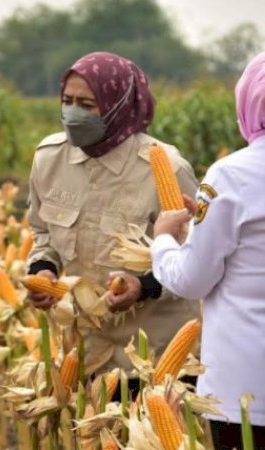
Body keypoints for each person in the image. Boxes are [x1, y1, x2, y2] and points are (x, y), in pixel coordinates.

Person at [25, 52, 200, 395]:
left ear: (119, 106)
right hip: (87, 355)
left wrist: (143, 287)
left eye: (87, 105)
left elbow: (196, 258)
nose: (73, 114)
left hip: (156, 360)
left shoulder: (166, 168)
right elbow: (43, 231)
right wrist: (44, 268)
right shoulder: (48, 158)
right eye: (67, 101)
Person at [151, 51, 265, 450]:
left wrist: (166, 237)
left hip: (247, 391)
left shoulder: (232, 175)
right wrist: (205, 218)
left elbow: (192, 280)